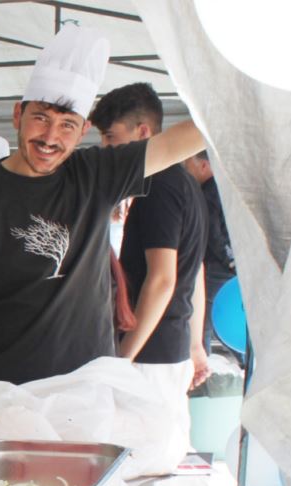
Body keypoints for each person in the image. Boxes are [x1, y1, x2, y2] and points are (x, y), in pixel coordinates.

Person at [0, 25, 206, 389]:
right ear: (18, 114)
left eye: (66, 125)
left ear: (83, 130)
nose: (49, 137)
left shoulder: (96, 174)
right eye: (40, 118)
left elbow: (180, 141)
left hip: (83, 387)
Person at [91, 82, 209, 419]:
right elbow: (195, 270)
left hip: (148, 355)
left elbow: (162, 280)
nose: (105, 148)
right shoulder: (183, 181)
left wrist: (123, 359)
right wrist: (195, 343)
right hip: (168, 347)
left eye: (111, 137)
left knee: (138, 462)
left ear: (143, 132)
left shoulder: (159, 186)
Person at [183, 149, 236, 347]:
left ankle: (200, 366)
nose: (186, 170)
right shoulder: (226, 189)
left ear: (204, 166)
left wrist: (229, 259)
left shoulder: (207, 192)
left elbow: (213, 232)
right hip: (227, 267)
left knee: (202, 322)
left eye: (189, 164)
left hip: (214, 269)